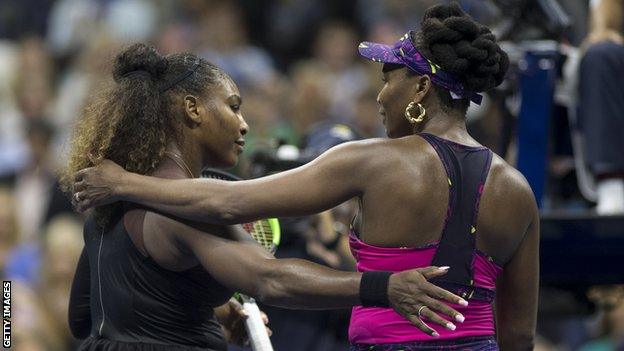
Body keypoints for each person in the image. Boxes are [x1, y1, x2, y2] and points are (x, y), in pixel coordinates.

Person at [73, 3, 539, 349]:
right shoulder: (518, 191)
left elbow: (229, 206)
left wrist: (122, 183)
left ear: (420, 86)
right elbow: (519, 332)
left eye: (386, 78)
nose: (379, 95)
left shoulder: (371, 160)